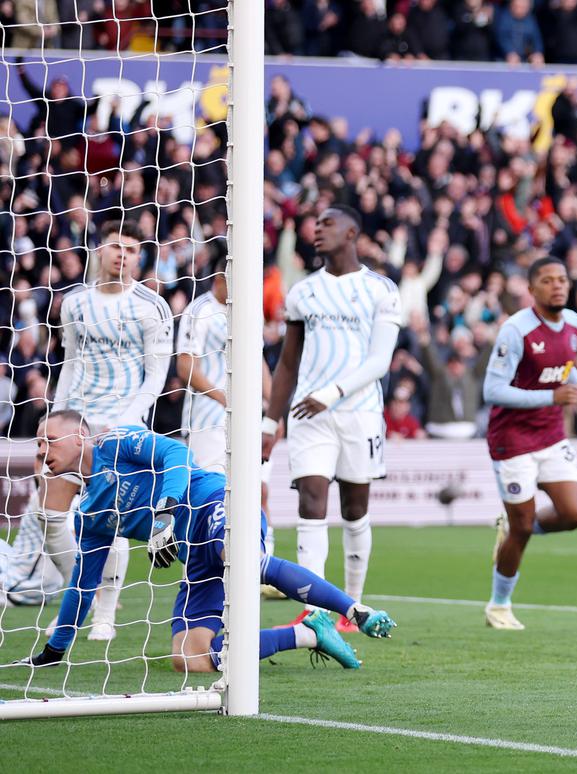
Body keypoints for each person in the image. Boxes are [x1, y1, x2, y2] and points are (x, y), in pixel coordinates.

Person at [17, 412, 395, 672]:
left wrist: (165, 513)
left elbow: (178, 453)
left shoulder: (115, 442)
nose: (41, 452)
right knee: (189, 659)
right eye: (37, 445)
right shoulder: (90, 515)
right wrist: (55, 650)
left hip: (215, 501)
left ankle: (354, 610)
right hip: (194, 554)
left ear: (79, 435)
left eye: (48, 440)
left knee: (240, 557)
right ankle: (309, 634)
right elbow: (83, 586)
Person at [262, 205, 402, 633]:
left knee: (355, 509)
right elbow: (287, 363)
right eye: (315, 224)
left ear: (352, 232)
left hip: (359, 414)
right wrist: (270, 423)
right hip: (310, 414)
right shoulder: (304, 291)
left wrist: (334, 393)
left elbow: (380, 360)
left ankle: (353, 606)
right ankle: (316, 610)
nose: (317, 230)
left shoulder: (382, 289)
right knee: (310, 503)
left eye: (327, 223)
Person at [44, 220, 172, 643]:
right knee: (50, 515)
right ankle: (82, 595)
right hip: (75, 422)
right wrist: (57, 417)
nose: (123, 254)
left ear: (139, 257)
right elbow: (71, 364)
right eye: (116, 246)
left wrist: (124, 421)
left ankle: (105, 614)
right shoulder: (75, 304)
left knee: (110, 519)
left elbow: (156, 377)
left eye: (132, 250)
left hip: (120, 427)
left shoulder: (151, 306)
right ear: (100, 251)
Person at [482, 257, 577, 630]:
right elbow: (493, 390)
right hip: (513, 440)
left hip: (551, 435)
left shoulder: (573, 323)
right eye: (547, 280)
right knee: (522, 526)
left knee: (574, 514)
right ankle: (499, 605)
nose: (557, 285)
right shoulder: (515, 330)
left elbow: (565, 372)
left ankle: (511, 531)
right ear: (531, 288)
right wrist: (550, 399)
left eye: (562, 279)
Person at [177, 256, 283, 596]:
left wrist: (273, 412)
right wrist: (225, 399)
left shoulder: (247, 311)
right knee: (209, 495)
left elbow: (261, 366)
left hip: (249, 419)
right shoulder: (199, 311)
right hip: (207, 421)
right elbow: (185, 367)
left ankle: (262, 568)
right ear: (222, 276)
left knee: (259, 491)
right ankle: (200, 574)